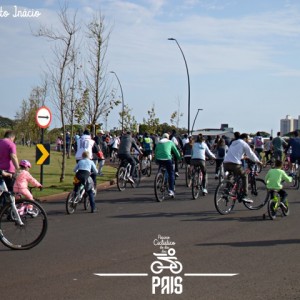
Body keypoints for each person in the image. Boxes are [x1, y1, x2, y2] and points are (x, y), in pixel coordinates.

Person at [223, 132, 261, 203]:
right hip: (235, 164)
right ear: (245, 138)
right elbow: (251, 154)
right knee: (244, 176)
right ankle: (245, 195)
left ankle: (227, 190)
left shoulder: (233, 142)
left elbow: (235, 154)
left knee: (232, 176)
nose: (248, 140)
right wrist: (258, 161)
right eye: (247, 139)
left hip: (226, 163)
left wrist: (243, 157)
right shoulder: (243, 143)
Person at [155, 133, 181, 197]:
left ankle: (159, 180)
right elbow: (176, 151)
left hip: (159, 159)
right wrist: (179, 158)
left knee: (160, 168)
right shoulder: (170, 142)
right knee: (171, 173)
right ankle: (171, 190)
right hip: (167, 159)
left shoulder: (159, 142)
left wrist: (156, 159)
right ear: (168, 137)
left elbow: (155, 151)